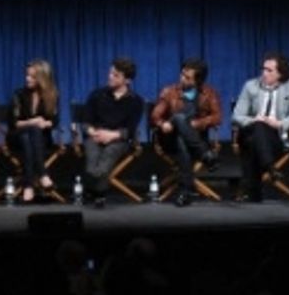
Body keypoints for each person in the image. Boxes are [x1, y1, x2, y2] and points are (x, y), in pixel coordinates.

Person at [231, 51, 289, 202]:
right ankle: (270, 168)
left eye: (269, 70)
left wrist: (279, 123)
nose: (264, 73)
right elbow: (236, 115)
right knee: (258, 126)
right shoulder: (250, 86)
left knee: (254, 144)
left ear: (280, 74)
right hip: (250, 131)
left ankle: (253, 192)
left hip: (275, 136)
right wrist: (254, 120)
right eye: (263, 68)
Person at [149, 57, 222, 207]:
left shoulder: (209, 93)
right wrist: (163, 124)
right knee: (178, 118)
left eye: (187, 77)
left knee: (182, 140)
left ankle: (185, 191)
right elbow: (155, 116)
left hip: (196, 137)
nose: (182, 78)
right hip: (169, 138)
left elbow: (217, 117)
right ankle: (206, 156)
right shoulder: (169, 91)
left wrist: (197, 123)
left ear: (197, 81)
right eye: (182, 74)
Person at [80, 57, 145, 209]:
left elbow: (130, 130)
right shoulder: (97, 95)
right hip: (94, 136)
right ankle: (97, 189)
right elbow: (85, 122)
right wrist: (94, 133)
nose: (110, 76)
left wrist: (111, 135)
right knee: (92, 167)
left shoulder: (136, 101)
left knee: (106, 158)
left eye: (116, 75)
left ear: (127, 80)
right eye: (110, 73)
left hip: (118, 140)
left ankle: (98, 194)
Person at [8, 59, 61, 203]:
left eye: (32, 76)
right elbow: (14, 123)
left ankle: (28, 186)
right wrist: (33, 122)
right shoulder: (19, 94)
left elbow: (55, 121)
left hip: (41, 139)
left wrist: (44, 123)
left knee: (31, 135)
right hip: (16, 137)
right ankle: (43, 175)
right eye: (27, 75)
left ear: (42, 78)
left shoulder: (52, 94)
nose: (27, 79)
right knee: (28, 132)